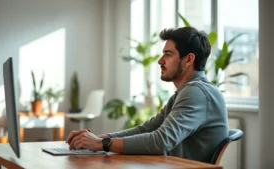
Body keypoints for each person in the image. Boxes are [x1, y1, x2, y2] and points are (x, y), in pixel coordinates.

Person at [66, 26, 228, 163]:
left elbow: (161, 141)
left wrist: (102, 144)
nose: (160, 60)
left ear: (188, 59)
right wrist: (96, 139)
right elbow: (147, 129)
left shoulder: (196, 92)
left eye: (168, 54)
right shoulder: (188, 91)